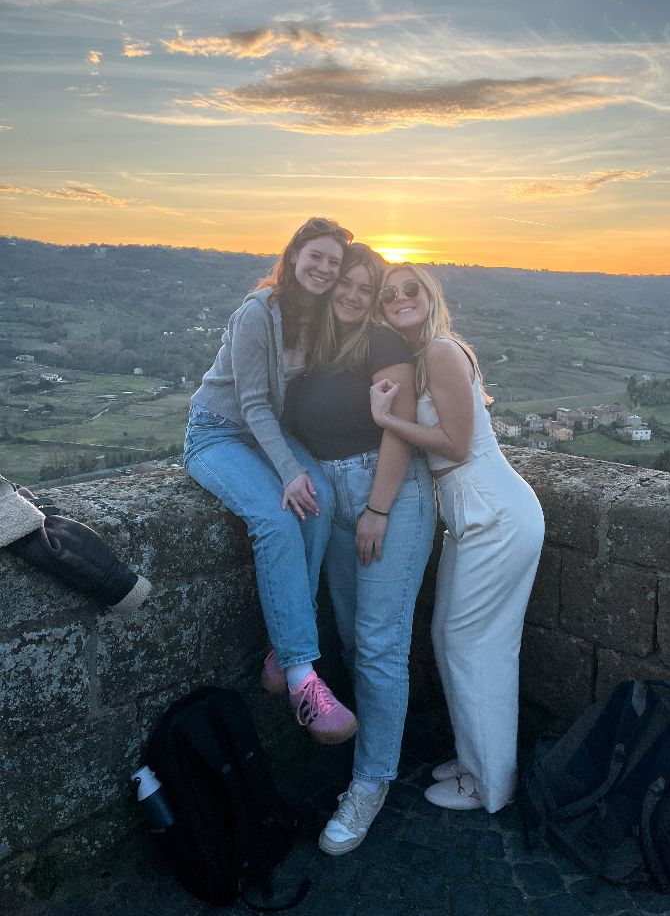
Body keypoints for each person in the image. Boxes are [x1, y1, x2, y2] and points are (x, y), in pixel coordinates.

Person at [370, 264, 544, 813]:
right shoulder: (425, 358)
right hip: (477, 517)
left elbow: (456, 445)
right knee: (453, 640)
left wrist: (386, 420)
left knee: (475, 649)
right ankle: (478, 758)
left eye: (410, 289)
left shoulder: (442, 352)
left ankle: (490, 783)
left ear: (430, 295)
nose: (400, 298)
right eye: (389, 294)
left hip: (493, 516)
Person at [281, 244, 436, 854]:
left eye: (364, 288)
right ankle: (386, 745)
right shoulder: (314, 341)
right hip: (331, 495)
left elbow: (396, 431)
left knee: (377, 644)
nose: (349, 294)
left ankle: (371, 783)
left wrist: (377, 507)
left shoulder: (383, 345)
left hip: (386, 495)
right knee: (352, 636)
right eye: (344, 282)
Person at [183, 216, 357, 744]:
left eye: (335, 262)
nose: (325, 269)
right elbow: (254, 404)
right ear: (294, 254)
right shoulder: (259, 313)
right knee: (276, 520)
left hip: (265, 434)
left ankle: (281, 653)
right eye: (317, 256)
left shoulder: (317, 316)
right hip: (218, 433)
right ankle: (303, 675)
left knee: (319, 500)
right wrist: (289, 472)